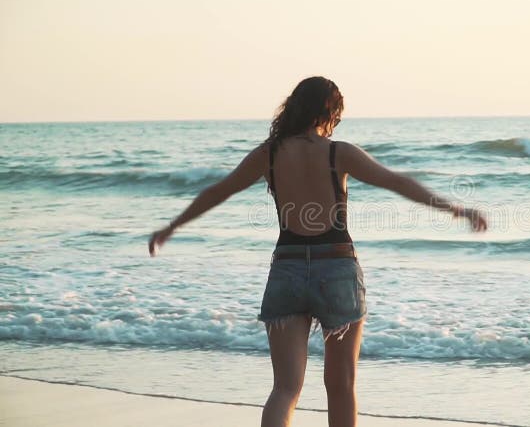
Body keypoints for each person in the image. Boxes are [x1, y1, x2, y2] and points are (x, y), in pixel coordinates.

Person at [148, 76, 488, 427]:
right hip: (337, 268)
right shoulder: (338, 152)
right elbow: (397, 182)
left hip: (287, 270)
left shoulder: (269, 154)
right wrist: (455, 209)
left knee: (285, 389)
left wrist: (171, 227)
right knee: (340, 386)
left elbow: (218, 191)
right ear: (329, 111)